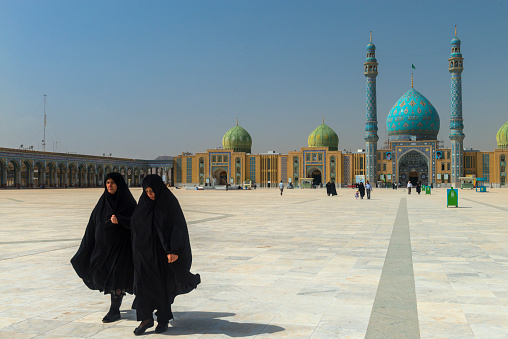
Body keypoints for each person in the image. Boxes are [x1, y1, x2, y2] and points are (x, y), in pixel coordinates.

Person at [131, 175, 200, 335]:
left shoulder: (168, 203)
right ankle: (146, 319)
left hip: (162, 256)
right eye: (147, 191)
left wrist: (173, 250)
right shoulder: (143, 204)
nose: (150, 195)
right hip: (143, 255)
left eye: (152, 191)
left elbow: (178, 227)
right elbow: (135, 224)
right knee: (143, 287)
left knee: (161, 287)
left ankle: (162, 319)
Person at [71, 173, 136, 323]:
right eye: (107, 182)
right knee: (103, 274)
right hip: (104, 250)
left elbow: (138, 222)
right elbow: (92, 226)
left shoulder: (127, 203)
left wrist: (122, 220)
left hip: (122, 249)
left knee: (117, 277)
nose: (110, 185)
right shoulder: (102, 203)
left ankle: (114, 310)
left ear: (119, 184)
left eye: (113, 182)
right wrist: (86, 248)